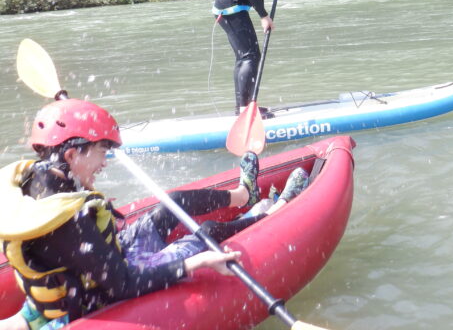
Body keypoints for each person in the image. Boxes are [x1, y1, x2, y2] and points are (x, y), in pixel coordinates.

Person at [0, 98, 272, 330]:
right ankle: (273, 212)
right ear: (71, 155)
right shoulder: (69, 223)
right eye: (101, 152)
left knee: (174, 204)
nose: (104, 163)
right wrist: (198, 263)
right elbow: (123, 285)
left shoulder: (33, 178)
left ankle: (245, 194)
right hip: (96, 297)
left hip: (93, 271)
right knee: (206, 235)